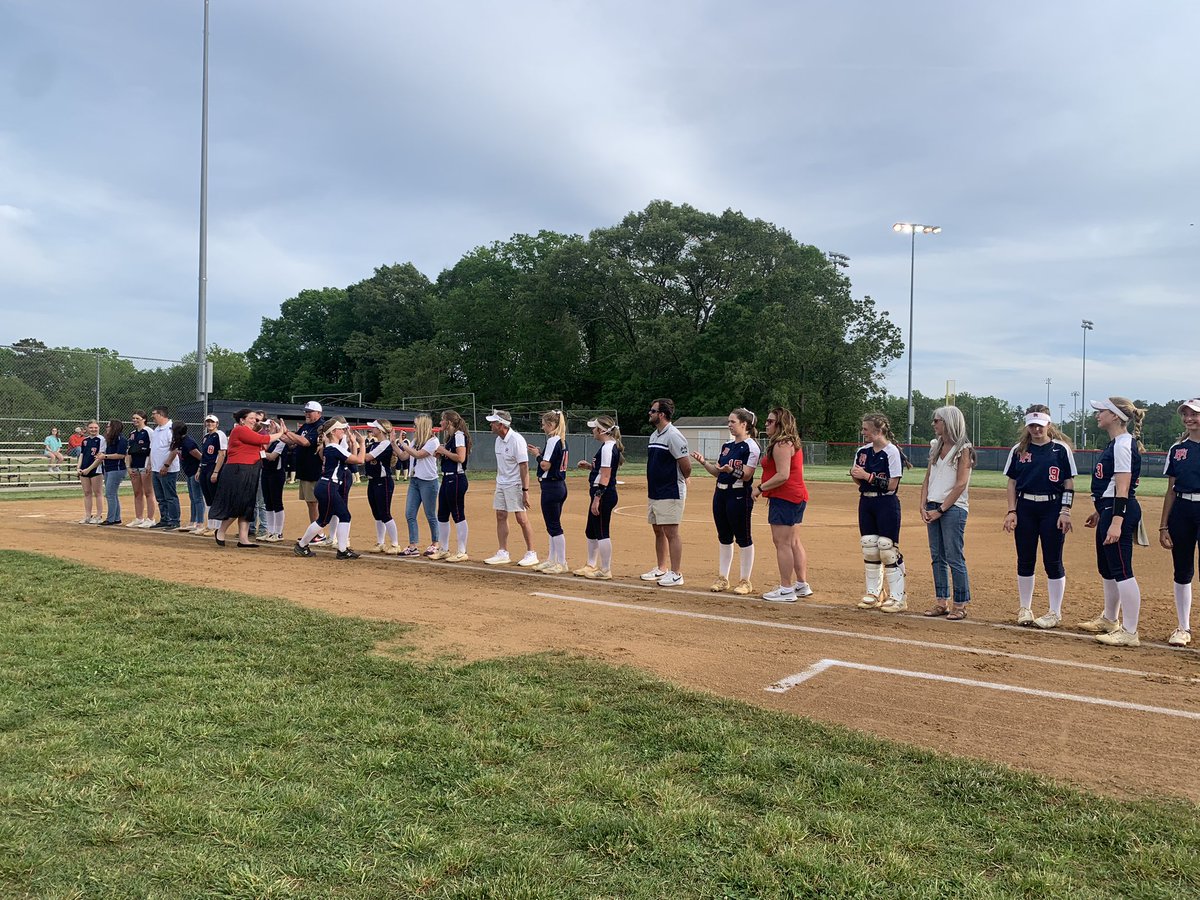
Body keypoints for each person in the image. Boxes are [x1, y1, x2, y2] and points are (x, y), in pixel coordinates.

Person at [1078, 397, 1147, 647]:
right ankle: (1110, 619)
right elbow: (1110, 486)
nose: (1097, 415)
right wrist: (1100, 512)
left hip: (1120, 510)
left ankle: (1130, 631)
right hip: (1108, 508)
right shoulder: (1116, 443)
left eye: (1102, 411)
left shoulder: (1123, 444)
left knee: (1122, 570)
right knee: (1107, 569)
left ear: (1116, 416)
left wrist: (1116, 521)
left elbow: (1123, 486)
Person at [999, 405, 1076, 628]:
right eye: (1032, 425)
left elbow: (1069, 483)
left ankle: (1054, 612)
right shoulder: (1018, 450)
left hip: (1052, 507)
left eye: (1040, 425)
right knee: (1025, 559)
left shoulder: (1061, 450)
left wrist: (1065, 510)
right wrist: (1011, 511)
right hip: (1025, 507)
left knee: (1053, 560)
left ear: (1048, 425)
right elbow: (1012, 482)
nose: (1036, 429)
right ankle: (1025, 608)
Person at [691, 408, 760, 595]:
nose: (729, 425)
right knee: (724, 537)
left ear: (744, 424)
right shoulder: (727, 446)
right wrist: (704, 462)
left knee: (743, 538)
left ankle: (745, 580)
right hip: (720, 494)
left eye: (733, 422)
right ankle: (723, 578)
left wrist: (732, 472)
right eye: (729, 421)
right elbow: (717, 472)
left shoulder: (751, 446)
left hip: (739, 494)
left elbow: (746, 476)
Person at [920, 406, 978, 621]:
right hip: (932, 505)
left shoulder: (964, 449)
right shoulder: (936, 446)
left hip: (953, 508)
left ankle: (960, 604)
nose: (934, 424)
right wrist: (923, 503)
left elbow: (961, 484)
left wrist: (941, 509)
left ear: (949, 422)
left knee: (954, 557)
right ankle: (941, 601)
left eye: (937, 421)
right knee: (937, 557)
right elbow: (928, 478)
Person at [851, 412, 908, 612]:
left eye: (866, 429)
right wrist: (859, 477)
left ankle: (898, 597)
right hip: (866, 502)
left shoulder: (892, 452)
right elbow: (857, 477)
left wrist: (867, 476)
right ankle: (873, 593)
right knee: (869, 546)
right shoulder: (863, 451)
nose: (863, 432)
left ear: (878, 430)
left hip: (886, 503)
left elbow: (892, 484)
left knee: (888, 548)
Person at [753, 408, 812, 602]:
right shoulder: (790, 442)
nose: (766, 424)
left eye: (770, 422)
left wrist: (760, 488)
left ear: (781, 424)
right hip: (795, 496)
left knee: (782, 543)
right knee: (793, 542)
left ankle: (786, 588)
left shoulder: (781, 444)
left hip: (785, 497)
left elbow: (783, 475)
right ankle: (801, 585)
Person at [1158, 398, 1200, 648]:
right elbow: (1171, 490)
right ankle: (1183, 627)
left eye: (1194, 414)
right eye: (1185, 415)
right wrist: (1163, 526)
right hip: (1182, 510)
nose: (1189, 419)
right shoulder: (1177, 449)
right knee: (1182, 570)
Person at [293, 419, 366, 560]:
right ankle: (342, 550)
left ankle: (302, 545)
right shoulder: (334, 447)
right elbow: (359, 460)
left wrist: (352, 444)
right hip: (328, 486)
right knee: (344, 516)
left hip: (324, 485)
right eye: (340, 429)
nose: (343, 431)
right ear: (333, 431)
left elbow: (351, 458)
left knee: (323, 519)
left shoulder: (329, 447)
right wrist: (361, 443)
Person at [641, 398, 692, 587]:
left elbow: (686, 466)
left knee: (672, 532)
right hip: (655, 491)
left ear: (661, 414)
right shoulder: (654, 435)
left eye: (652, 411)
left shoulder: (674, 435)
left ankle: (676, 573)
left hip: (670, 490)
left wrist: (682, 479)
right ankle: (661, 567)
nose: (650, 413)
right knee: (658, 530)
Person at [209, 409, 276, 548]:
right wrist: (281, 433)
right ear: (242, 420)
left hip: (251, 469)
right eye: (251, 418)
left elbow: (263, 444)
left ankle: (243, 538)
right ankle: (221, 531)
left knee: (247, 504)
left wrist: (272, 431)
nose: (254, 421)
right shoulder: (240, 430)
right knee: (238, 503)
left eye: (255, 419)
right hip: (238, 469)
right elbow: (262, 439)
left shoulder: (250, 432)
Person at [484, 409, 539, 567]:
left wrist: (525, 491)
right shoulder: (498, 440)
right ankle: (503, 552)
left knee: (521, 518)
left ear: (501, 425)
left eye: (493, 422)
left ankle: (531, 553)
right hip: (501, 483)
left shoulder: (517, 440)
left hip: (515, 484)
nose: (491, 425)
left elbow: (524, 467)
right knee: (500, 515)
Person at [574, 416, 623, 580]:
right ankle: (591, 564)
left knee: (602, 531)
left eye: (594, 428)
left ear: (602, 431)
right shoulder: (606, 447)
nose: (592, 431)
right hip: (599, 491)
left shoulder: (608, 448)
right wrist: (590, 466)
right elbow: (603, 469)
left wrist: (597, 498)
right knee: (591, 531)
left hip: (603, 493)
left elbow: (606, 475)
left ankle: (605, 569)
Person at [395, 414, 442, 557]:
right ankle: (413, 546)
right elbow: (404, 456)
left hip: (428, 481)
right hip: (414, 480)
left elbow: (418, 454)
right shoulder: (415, 440)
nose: (413, 428)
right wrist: (394, 444)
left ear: (422, 426)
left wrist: (403, 444)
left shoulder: (433, 441)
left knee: (430, 514)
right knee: (409, 513)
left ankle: (435, 543)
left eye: (415, 425)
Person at [280, 401, 326, 544]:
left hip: (314, 470)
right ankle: (315, 532)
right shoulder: (306, 426)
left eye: (309, 412)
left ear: (318, 413)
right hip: (305, 470)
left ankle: (319, 533)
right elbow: (293, 442)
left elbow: (306, 442)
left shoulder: (320, 426)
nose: (306, 414)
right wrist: (279, 434)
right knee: (310, 502)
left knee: (313, 502)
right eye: (305, 411)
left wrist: (288, 432)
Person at [530, 410, 570, 573]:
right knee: (552, 525)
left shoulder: (554, 440)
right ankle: (552, 559)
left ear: (551, 424)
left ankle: (561, 562)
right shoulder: (562, 440)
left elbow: (545, 465)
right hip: (559, 485)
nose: (542, 427)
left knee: (554, 526)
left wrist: (537, 455)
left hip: (551, 486)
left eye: (544, 424)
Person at [432, 409, 472, 562]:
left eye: (442, 420)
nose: (440, 423)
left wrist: (444, 451)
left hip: (456, 479)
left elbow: (461, 457)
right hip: (447, 479)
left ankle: (462, 551)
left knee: (457, 514)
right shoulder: (451, 437)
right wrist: (443, 452)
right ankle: (444, 549)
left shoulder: (459, 435)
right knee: (442, 514)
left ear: (448, 422)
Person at [364, 419, 401, 554]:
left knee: (385, 513)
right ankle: (380, 543)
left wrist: (360, 444)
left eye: (373, 427)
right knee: (377, 514)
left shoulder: (385, 444)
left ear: (380, 430)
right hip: (373, 481)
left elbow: (366, 457)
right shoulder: (374, 444)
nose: (371, 430)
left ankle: (395, 544)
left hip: (383, 481)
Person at [149, 406, 181, 530]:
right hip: (156, 468)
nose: (152, 416)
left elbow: (174, 449)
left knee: (170, 496)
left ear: (161, 415)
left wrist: (166, 465)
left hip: (168, 469)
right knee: (160, 497)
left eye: (154, 414)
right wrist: (150, 465)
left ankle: (174, 520)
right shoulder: (156, 429)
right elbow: (154, 449)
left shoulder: (171, 429)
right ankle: (165, 519)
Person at [171, 422, 205, 533]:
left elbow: (202, 458)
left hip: (196, 473)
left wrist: (199, 471)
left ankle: (199, 523)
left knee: (198, 498)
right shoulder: (180, 442)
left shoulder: (188, 443)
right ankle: (192, 522)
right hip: (189, 473)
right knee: (192, 498)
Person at [124, 411, 156, 528]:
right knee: (137, 492)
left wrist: (149, 464)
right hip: (135, 465)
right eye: (133, 418)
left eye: (137, 418)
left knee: (148, 492)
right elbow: (129, 451)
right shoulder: (132, 433)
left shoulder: (149, 431)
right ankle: (139, 518)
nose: (135, 420)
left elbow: (153, 449)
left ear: (144, 419)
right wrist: (128, 466)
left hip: (145, 464)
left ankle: (151, 518)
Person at [197, 414, 227, 536]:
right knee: (207, 498)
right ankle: (210, 525)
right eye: (208, 422)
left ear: (217, 424)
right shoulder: (205, 437)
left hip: (213, 467)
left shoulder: (219, 435)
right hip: (204, 467)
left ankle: (217, 527)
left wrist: (216, 471)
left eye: (212, 422)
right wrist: (199, 469)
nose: (209, 424)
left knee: (215, 497)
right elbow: (204, 455)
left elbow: (222, 454)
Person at [259, 421, 288, 542]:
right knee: (268, 503)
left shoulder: (281, 441)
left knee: (276, 502)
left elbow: (272, 456)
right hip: (266, 472)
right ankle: (271, 532)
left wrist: (259, 452)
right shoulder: (268, 442)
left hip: (276, 474)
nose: (267, 428)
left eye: (269, 426)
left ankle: (278, 532)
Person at [95, 420, 128, 525]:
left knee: (109, 494)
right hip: (109, 468)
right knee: (113, 494)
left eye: (108, 426)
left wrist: (105, 456)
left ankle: (111, 519)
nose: (107, 428)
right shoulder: (109, 440)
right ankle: (116, 518)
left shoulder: (121, 439)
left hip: (117, 469)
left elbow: (121, 455)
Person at [76, 420, 105, 524]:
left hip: (95, 469)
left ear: (99, 428)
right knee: (87, 493)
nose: (93, 429)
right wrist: (78, 467)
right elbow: (82, 455)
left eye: (95, 427)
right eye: (91, 428)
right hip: (84, 469)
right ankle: (88, 515)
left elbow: (100, 457)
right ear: (87, 429)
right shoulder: (85, 440)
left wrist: (89, 469)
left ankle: (98, 515)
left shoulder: (101, 439)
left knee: (98, 493)